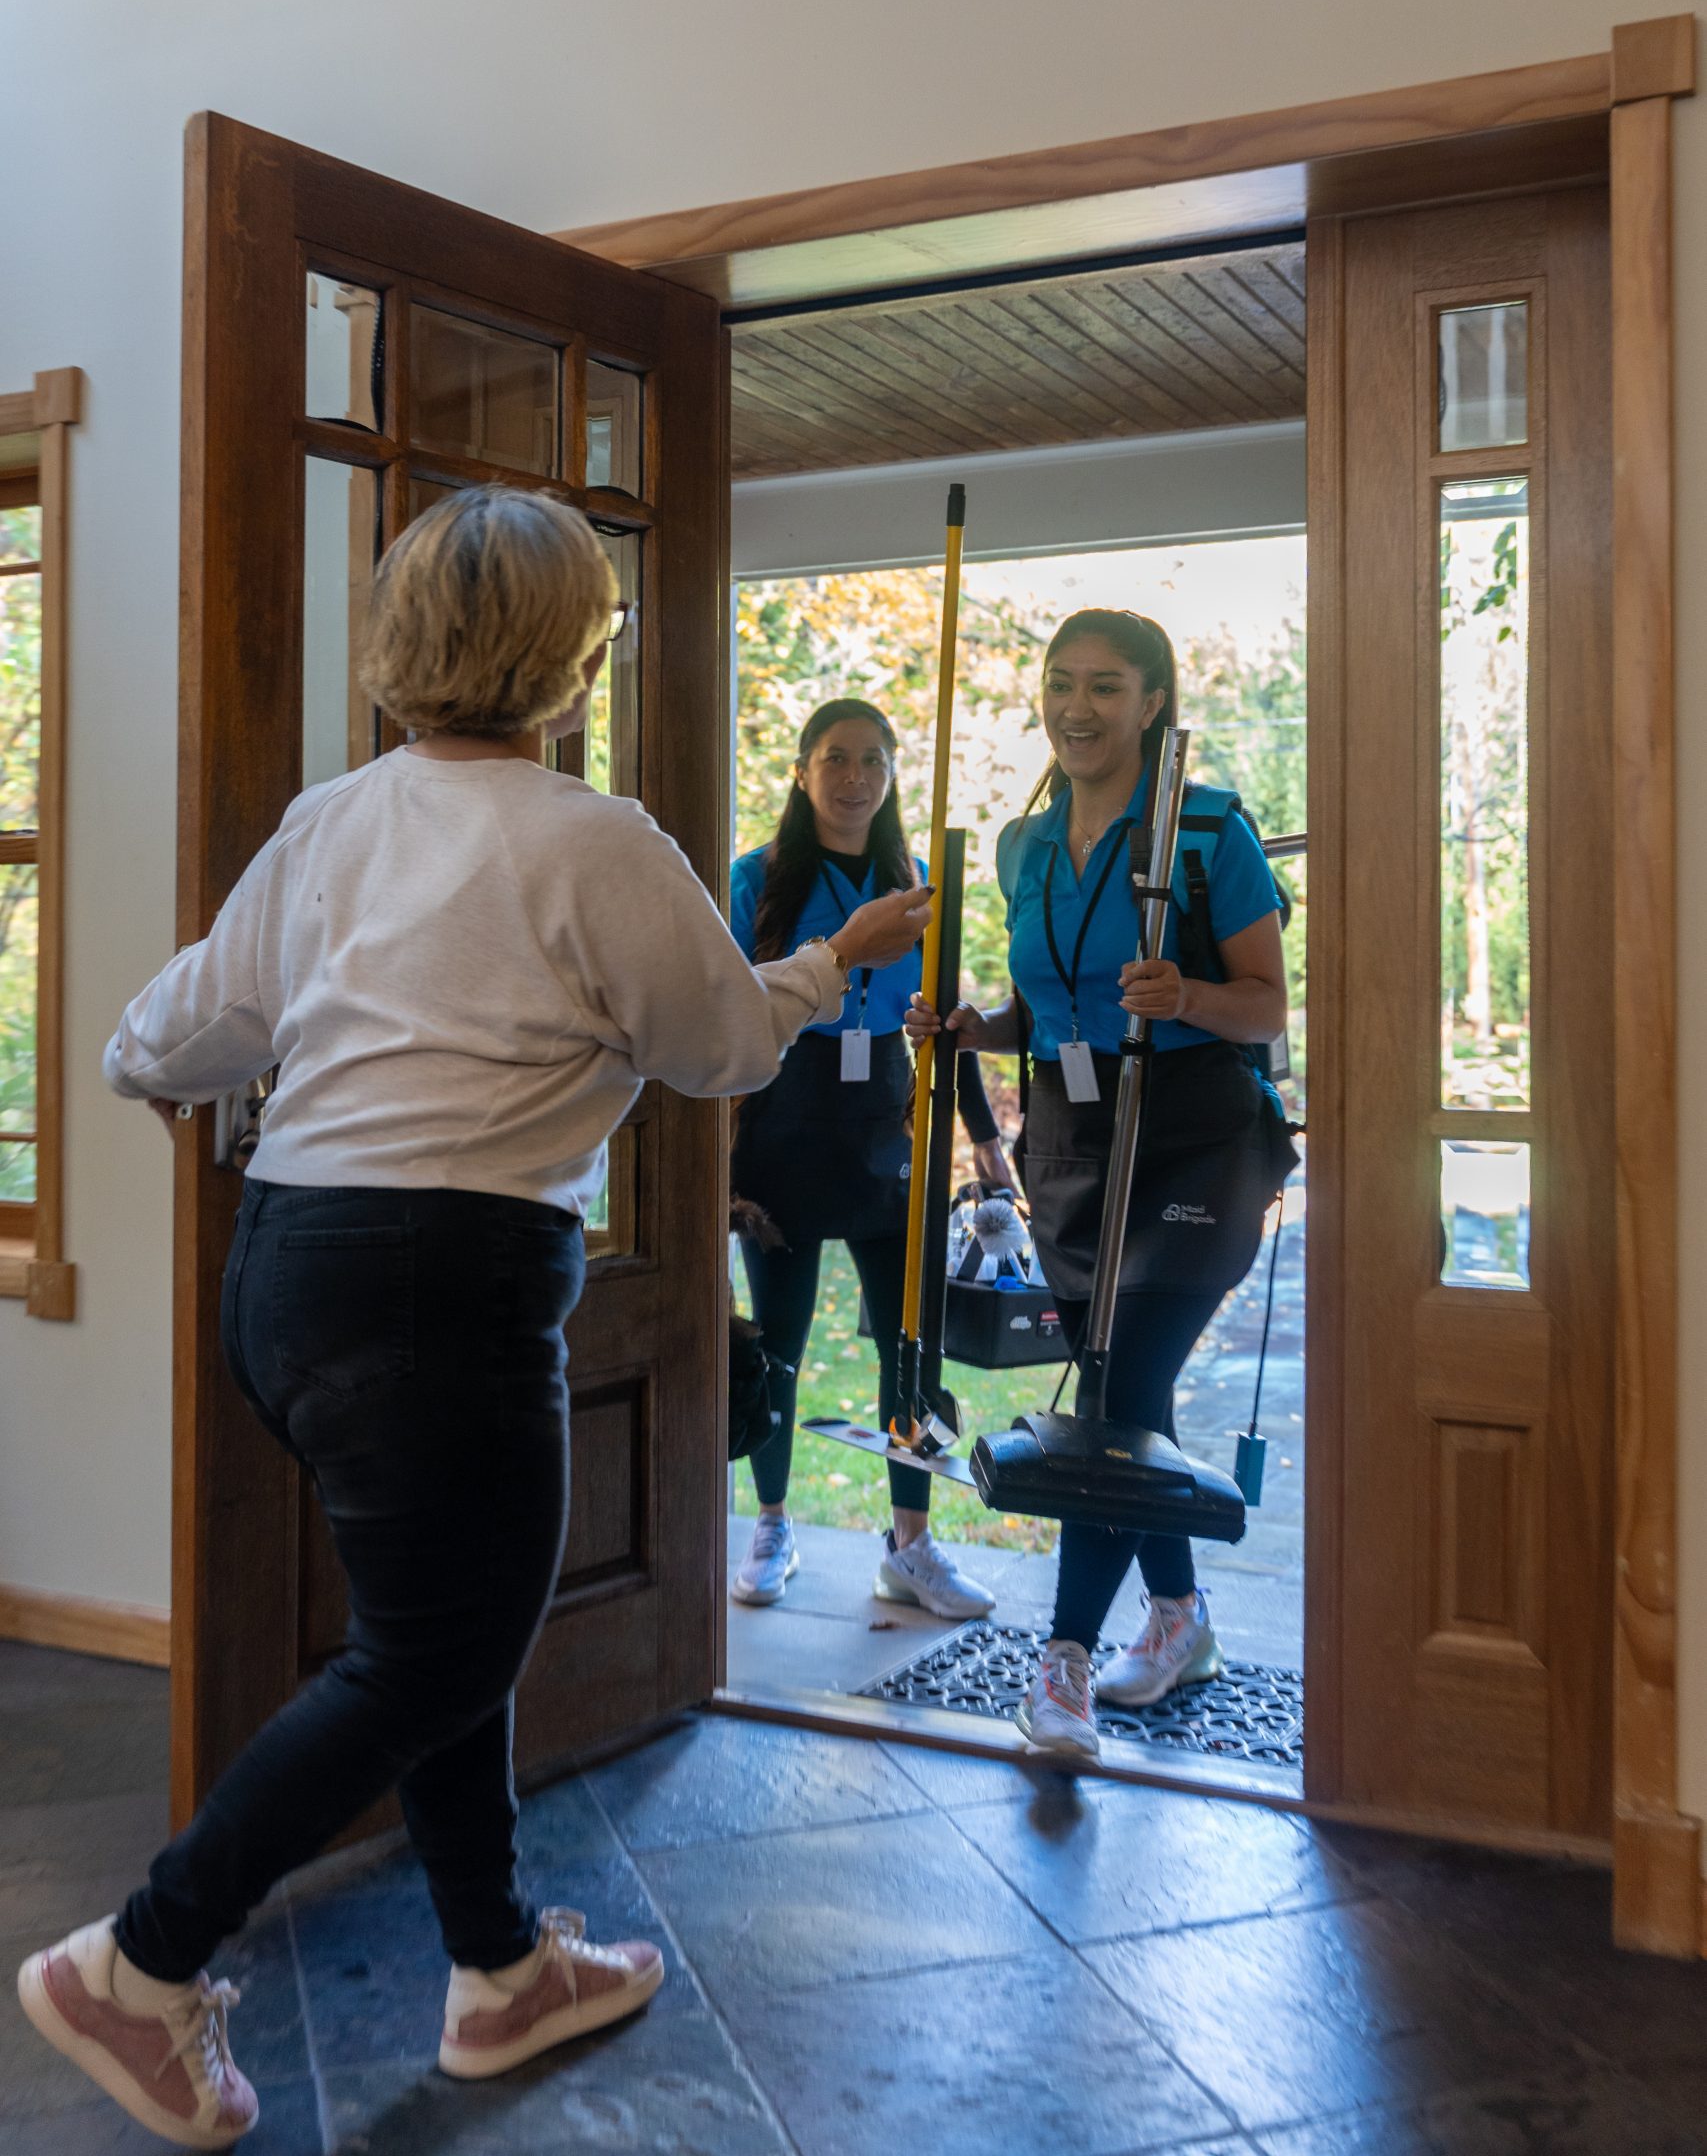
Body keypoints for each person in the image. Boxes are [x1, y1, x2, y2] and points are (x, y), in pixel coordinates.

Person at [16, 488, 930, 2149]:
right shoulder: (592, 840)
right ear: (572, 658)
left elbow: (158, 1044)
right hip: (450, 1300)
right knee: (438, 1646)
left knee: (438, 1634)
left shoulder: (328, 824)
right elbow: (720, 1047)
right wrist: (825, 964)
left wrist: (257, 1107)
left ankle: (499, 1969)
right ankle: (139, 1967)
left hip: (287, 1282)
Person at [906, 609, 1294, 1764]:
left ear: (1155, 700)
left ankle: (1063, 1666)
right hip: (1074, 1143)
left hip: (1195, 1141)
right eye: (1061, 684)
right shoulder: (1026, 845)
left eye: (1107, 687)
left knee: (1119, 1390)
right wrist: (980, 1027)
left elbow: (1267, 1003)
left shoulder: (1210, 827)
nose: (1078, 708)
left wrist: (1187, 997)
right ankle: (1180, 1618)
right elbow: (1053, 1005)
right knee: (1128, 1399)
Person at [728, 699, 1009, 1620]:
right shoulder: (755, 880)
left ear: (892, 776)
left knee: (909, 1349)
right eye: (834, 759)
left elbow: (943, 1020)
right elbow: (726, 1019)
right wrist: (719, 1164)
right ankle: (771, 1522)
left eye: (872, 761)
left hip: (894, 1124)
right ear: (803, 771)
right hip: (784, 1124)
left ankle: (911, 1544)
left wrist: (984, 1140)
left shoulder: (921, 883)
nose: (853, 778)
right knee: (778, 1343)